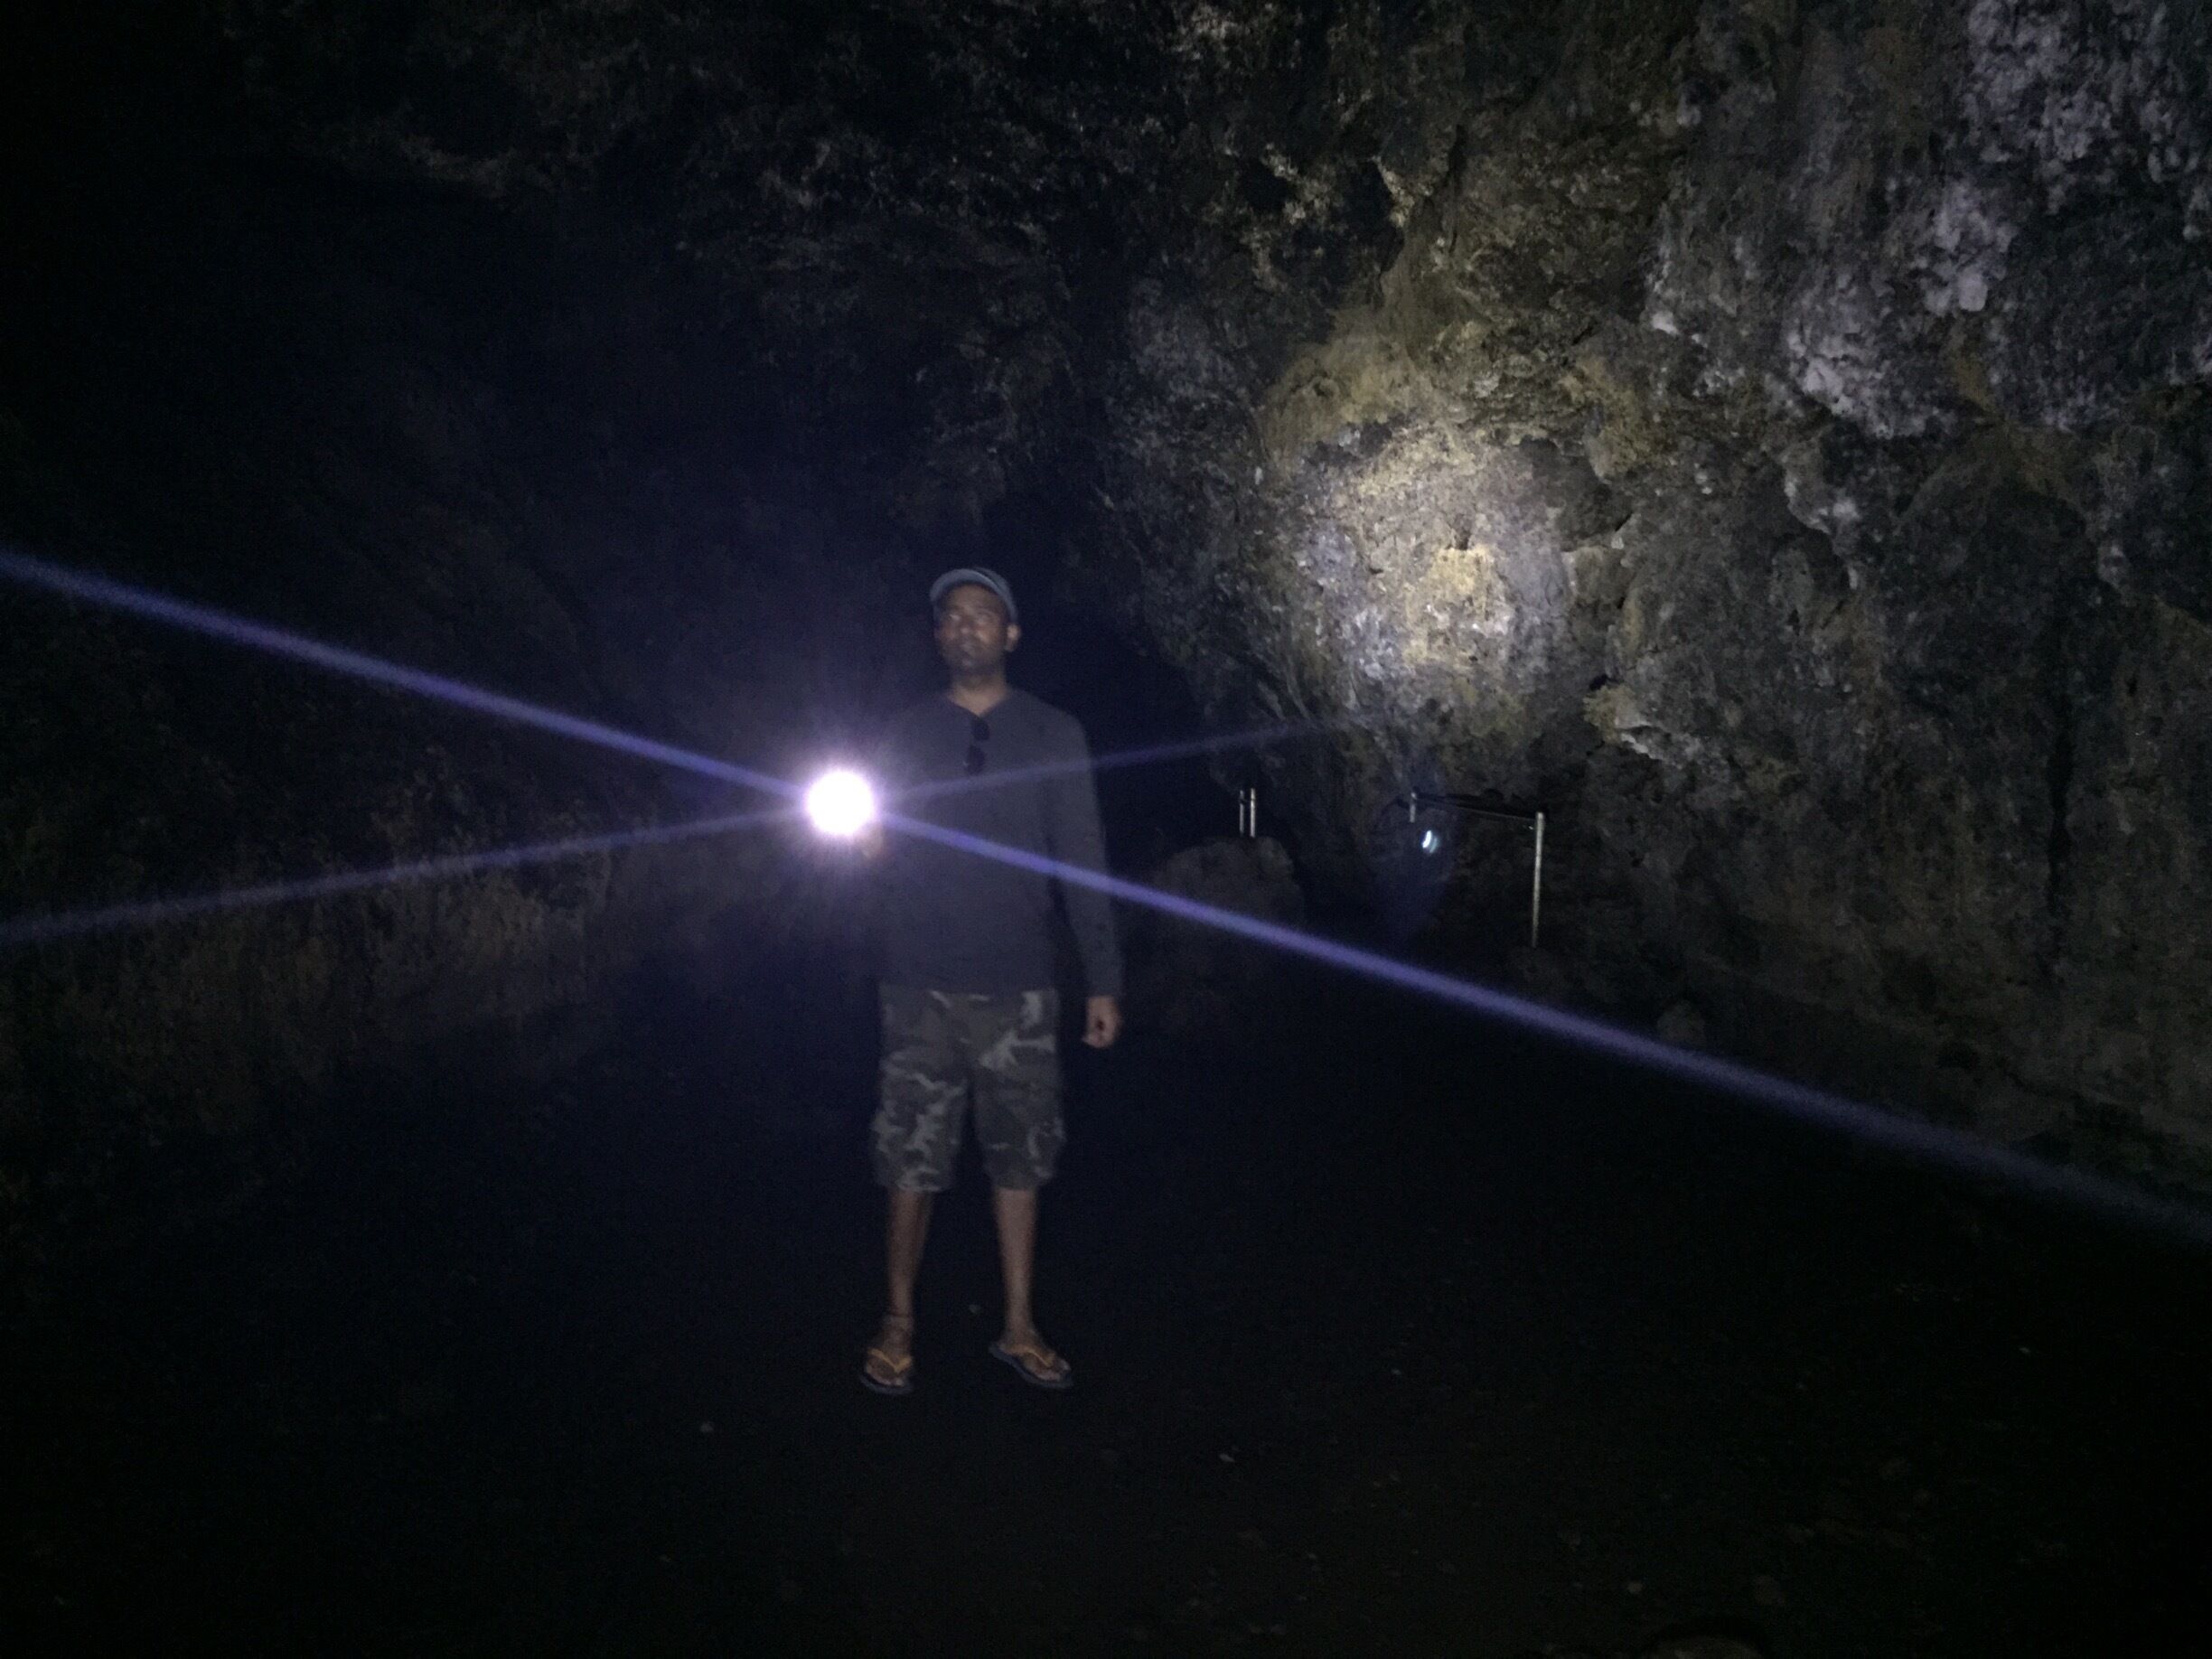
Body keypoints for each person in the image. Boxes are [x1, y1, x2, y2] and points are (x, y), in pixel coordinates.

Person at [856, 567, 1123, 1396]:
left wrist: (1102, 982)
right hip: (918, 983)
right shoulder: (899, 732)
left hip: (1020, 984)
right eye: (953, 617)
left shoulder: (1053, 732)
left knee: (1022, 1158)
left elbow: (1083, 860)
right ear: (938, 637)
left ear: (1011, 635)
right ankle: (898, 1322)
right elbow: (871, 845)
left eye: (984, 615)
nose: (967, 626)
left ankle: (1017, 1325)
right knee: (911, 1155)